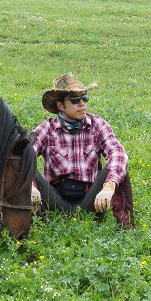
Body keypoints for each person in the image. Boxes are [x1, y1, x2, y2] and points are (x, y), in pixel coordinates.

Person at [30, 73, 134, 228]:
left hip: (90, 200)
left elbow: (117, 152)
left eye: (84, 98)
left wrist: (108, 187)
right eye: (75, 100)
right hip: (55, 200)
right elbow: (23, 156)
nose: (82, 104)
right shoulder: (48, 128)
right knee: (22, 165)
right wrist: (30, 186)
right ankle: (33, 222)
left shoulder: (97, 124)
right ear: (60, 105)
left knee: (119, 163)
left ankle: (126, 226)